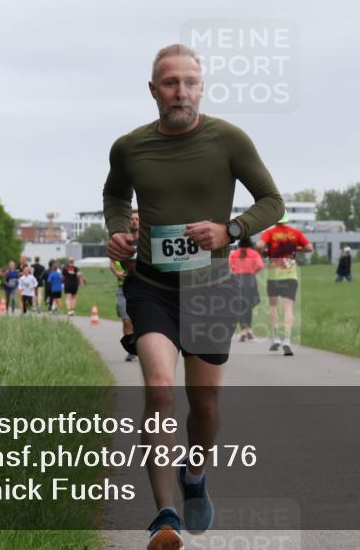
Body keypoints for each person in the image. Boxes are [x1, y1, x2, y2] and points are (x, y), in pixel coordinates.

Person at [103, 44, 283, 549]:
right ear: (153, 90)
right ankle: (164, 516)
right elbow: (115, 195)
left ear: (202, 88)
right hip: (152, 286)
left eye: (189, 82)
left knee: (205, 404)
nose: (180, 92)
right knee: (160, 389)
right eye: (169, 83)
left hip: (210, 288)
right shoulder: (129, 147)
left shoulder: (228, 139)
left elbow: (273, 202)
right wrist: (117, 230)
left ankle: (195, 473)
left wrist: (231, 230)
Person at [257, 213, 313, 356]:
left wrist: (264, 253)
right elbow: (309, 248)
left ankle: (276, 337)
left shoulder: (269, 233)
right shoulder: (295, 233)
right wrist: (297, 249)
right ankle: (287, 340)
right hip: (290, 276)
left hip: (274, 276)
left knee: (273, 306)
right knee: (288, 308)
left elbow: (259, 245)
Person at [110, 209, 141, 361]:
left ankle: (143, 346)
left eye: (137, 219)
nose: (134, 221)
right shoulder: (121, 240)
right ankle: (131, 350)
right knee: (126, 319)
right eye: (132, 219)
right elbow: (112, 262)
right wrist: (117, 272)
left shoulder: (146, 241)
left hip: (143, 286)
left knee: (140, 320)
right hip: (124, 287)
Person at [228, 237, 264, 342]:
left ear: (239, 244)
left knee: (240, 306)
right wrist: (253, 272)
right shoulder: (254, 253)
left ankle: (243, 330)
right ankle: (249, 329)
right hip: (250, 280)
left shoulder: (234, 254)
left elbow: (229, 266)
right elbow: (260, 265)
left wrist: (235, 271)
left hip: (238, 279)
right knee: (249, 305)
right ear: (250, 244)